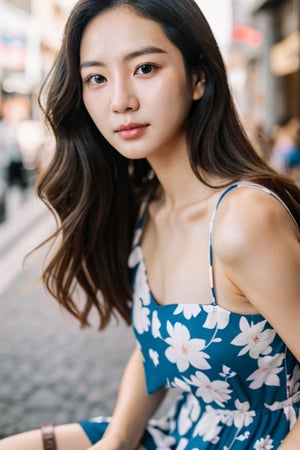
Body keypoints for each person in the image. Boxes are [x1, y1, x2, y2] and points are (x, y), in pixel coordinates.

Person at [0, 0, 299, 449]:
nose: (121, 101)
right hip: (184, 433)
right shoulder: (149, 206)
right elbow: (160, 344)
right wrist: (118, 438)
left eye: (144, 68)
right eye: (96, 78)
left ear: (198, 78)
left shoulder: (244, 222)